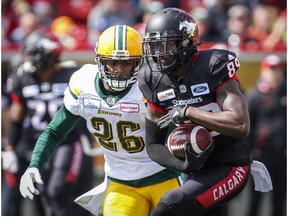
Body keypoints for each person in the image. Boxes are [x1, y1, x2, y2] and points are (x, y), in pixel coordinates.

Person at [19, 24, 181, 216]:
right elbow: (55, 132)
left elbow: (177, 131)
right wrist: (35, 164)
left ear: (139, 63)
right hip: (121, 182)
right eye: (112, 62)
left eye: (126, 63)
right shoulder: (83, 83)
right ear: (100, 61)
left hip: (163, 177)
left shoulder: (152, 85)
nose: (119, 70)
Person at [138, 7, 271, 216]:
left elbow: (240, 124)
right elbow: (154, 145)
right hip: (195, 170)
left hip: (230, 164)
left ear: (186, 42)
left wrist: (189, 111)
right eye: (154, 46)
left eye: (167, 45)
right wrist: (183, 164)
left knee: (171, 204)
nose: (159, 54)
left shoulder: (212, 65)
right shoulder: (152, 79)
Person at [3, 30, 93, 216]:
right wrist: (11, 148)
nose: (27, 58)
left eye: (32, 54)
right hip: (36, 144)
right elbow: (16, 116)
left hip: (66, 142)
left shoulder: (70, 75)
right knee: (44, 192)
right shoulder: (22, 79)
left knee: (57, 190)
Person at [245, 55, 286, 216]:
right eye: (272, 70)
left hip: (282, 158)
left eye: (279, 70)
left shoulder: (285, 93)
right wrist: (250, 151)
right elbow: (247, 127)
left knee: (280, 202)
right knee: (255, 201)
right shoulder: (254, 96)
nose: (275, 74)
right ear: (263, 71)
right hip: (260, 157)